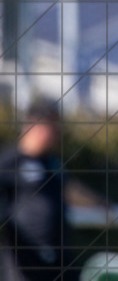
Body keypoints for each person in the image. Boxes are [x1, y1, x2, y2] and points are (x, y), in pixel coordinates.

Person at [0, 99, 105, 281]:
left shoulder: (51, 162)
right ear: (34, 125)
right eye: (52, 126)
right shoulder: (10, 161)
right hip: (26, 267)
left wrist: (103, 204)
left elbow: (70, 189)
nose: (57, 133)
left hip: (59, 262)